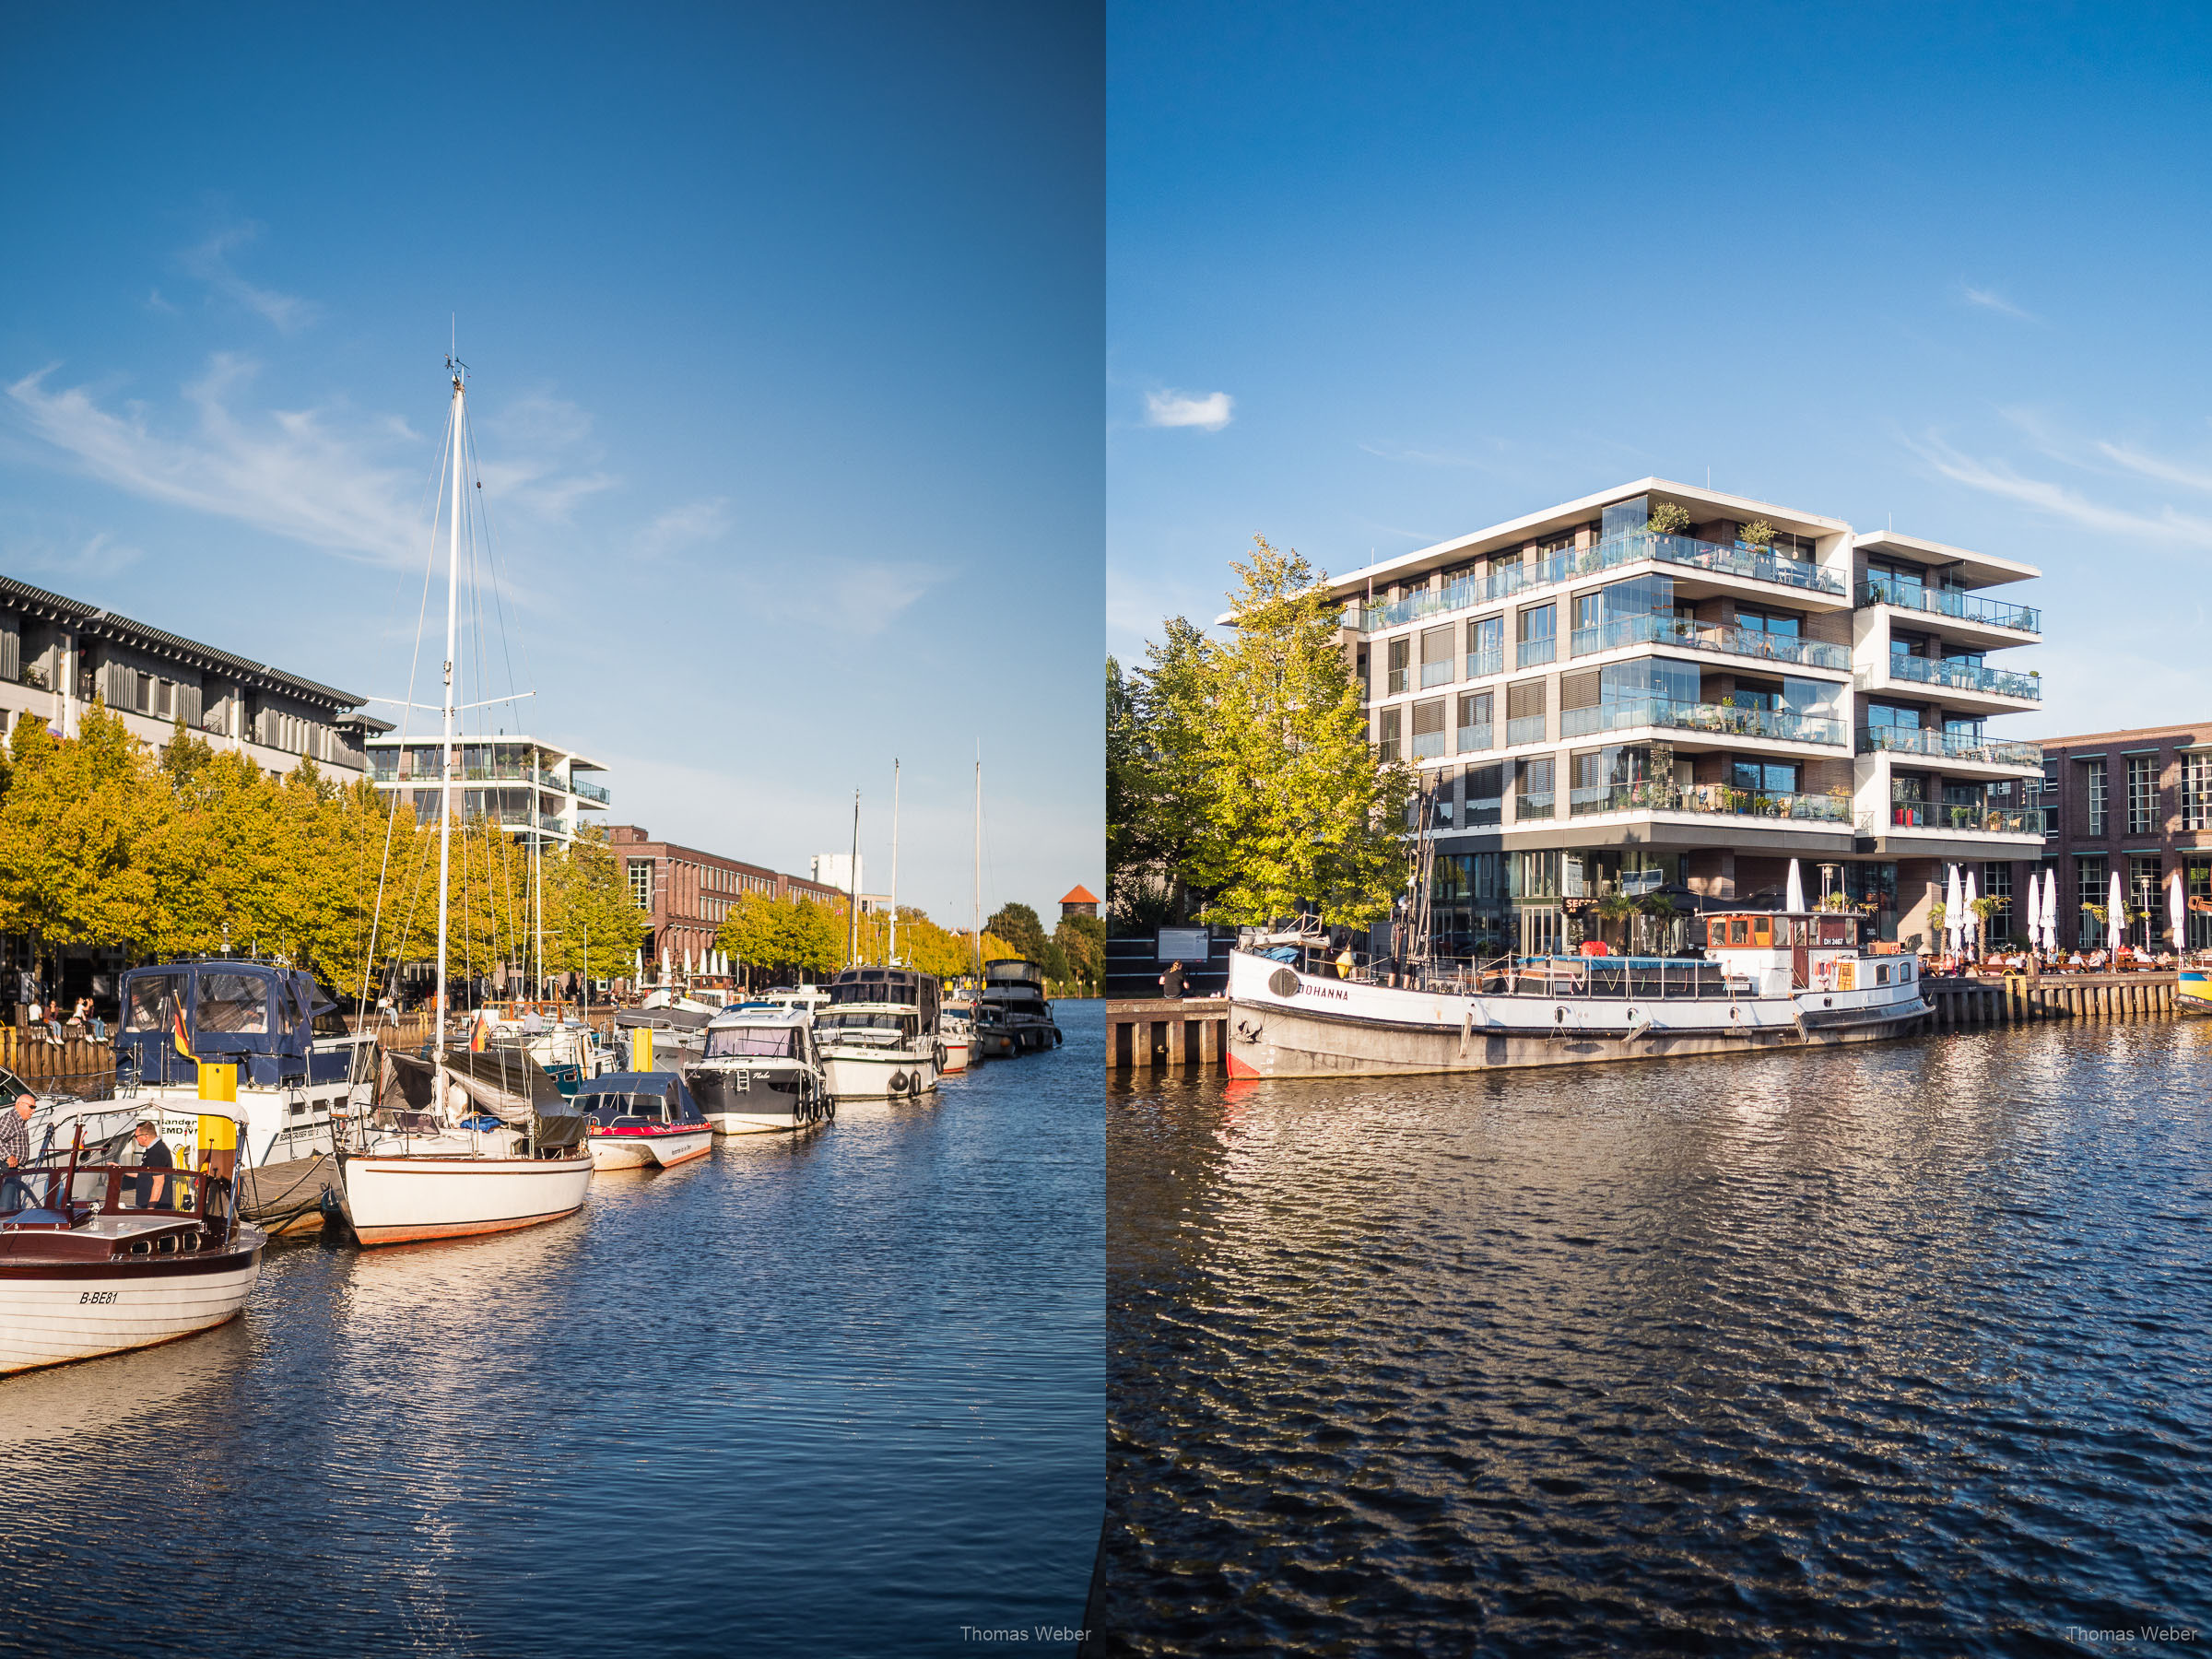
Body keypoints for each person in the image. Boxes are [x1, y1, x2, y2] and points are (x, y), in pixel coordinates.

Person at [0, 1092, 35, 1212]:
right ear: (20, 1105)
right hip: (8, 1168)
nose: (33, 1111)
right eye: (31, 1107)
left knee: (13, 1201)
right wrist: (8, 1156)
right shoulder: (10, 1119)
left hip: (16, 1168)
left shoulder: (20, 1120)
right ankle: (4, 1225)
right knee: (7, 1201)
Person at [131, 1120, 174, 1209]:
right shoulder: (151, 1150)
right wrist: (119, 1169)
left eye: (136, 1136)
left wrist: (150, 1208)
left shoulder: (157, 1152)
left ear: (145, 1136)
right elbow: (142, 1173)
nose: (136, 1139)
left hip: (157, 1207)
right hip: (146, 1204)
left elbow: (159, 1181)